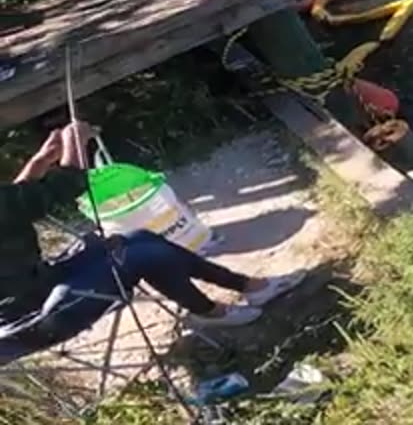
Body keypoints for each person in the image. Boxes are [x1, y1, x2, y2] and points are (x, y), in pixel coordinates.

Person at [0, 121, 304, 353]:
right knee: (140, 254)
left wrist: (40, 161)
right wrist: (74, 140)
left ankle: (247, 289)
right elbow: (69, 184)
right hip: (32, 321)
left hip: (42, 286)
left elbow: (16, 203)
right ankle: (215, 309)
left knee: (138, 237)